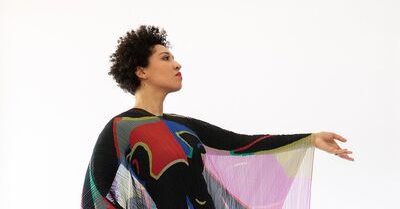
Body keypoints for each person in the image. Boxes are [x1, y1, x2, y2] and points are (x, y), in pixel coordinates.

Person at [81, 25, 354, 209]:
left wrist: (310, 139)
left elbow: (243, 144)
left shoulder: (184, 127)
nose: (177, 64)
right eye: (165, 58)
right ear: (141, 71)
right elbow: (95, 195)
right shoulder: (121, 129)